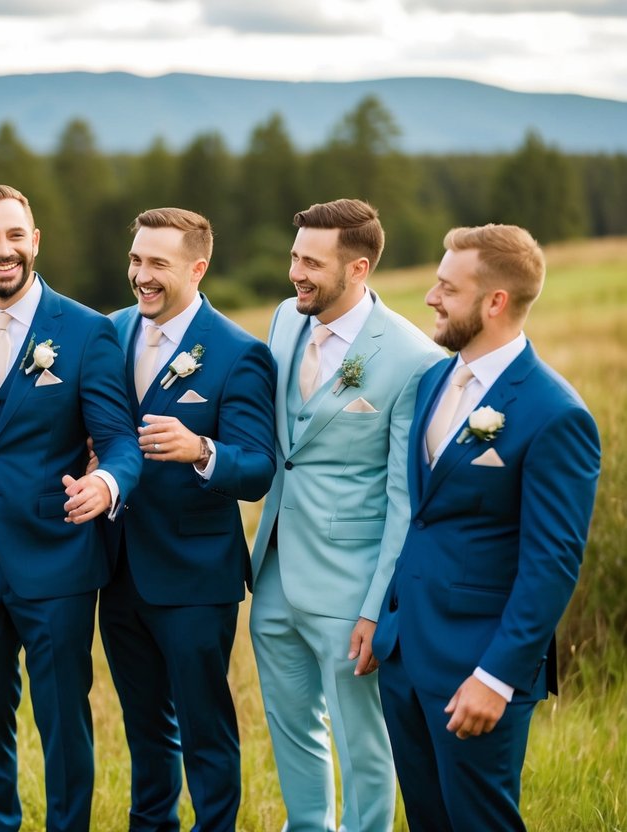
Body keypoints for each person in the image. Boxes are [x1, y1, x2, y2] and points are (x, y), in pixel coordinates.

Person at [372, 224, 600, 830]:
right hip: (405, 655)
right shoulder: (433, 381)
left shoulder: (555, 414)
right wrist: (384, 623)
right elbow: (421, 516)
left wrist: (496, 677)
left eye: (448, 288)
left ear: (495, 301)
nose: (431, 297)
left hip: (476, 666)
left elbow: (551, 564)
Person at [0, 184, 142, 832]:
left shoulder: (85, 330)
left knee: (62, 719)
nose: (4, 250)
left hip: (58, 557)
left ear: (35, 241)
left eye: (14, 235)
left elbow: (118, 441)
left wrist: (106, 483)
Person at [249, 198, 443, 832]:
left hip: (350, 587)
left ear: (358, 268)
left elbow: (404, 500)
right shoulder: (285, 318)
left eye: (312, 262)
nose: (295, 273)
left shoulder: (413, 359)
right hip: (273, 570)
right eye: (294, 257)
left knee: (363, 743)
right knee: (290, 726)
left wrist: (375, 607)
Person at [100, 207, 276, 831]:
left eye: (158, 264)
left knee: (205, 728)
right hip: (117, 568)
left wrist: (202, 449)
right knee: (144, 727)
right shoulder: (110, 331)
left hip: (195, 576)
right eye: (135, 259)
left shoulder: (239, 353)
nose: (141, 275)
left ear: (197, 269)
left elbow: (257, 469)